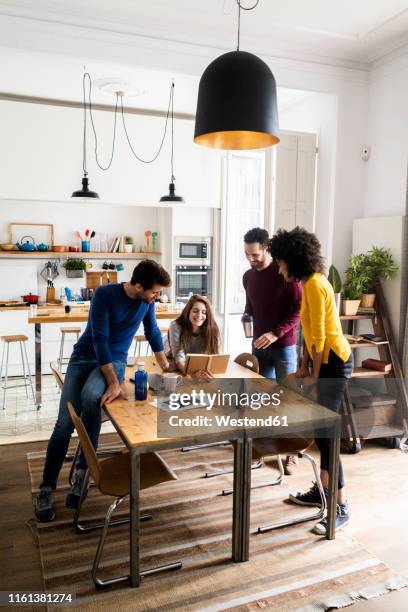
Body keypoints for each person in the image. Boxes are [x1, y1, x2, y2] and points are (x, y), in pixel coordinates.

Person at [35, 259, 172, 522]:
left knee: (90, 398)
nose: (157, 297)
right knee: (64, 423)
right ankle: (46, 488)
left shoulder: (146, 303)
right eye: (155, 292)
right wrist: (113, 382)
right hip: (85, 357)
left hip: (116, 360)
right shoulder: (104, 294)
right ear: (139, 286)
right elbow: (99, 339)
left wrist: (167, 367)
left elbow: (153, 332)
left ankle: (83, 473)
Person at [269, 226, 353, 534]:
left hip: (334, 364)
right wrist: (304, 367)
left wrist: (315, 376)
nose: (278, 269)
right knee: (321, 435)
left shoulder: (316, 285)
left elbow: (318, 336)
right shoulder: (309, 283)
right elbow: (307, 334)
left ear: (293, 259)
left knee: (328, 437)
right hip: (324, 362)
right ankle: (322, 491)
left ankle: (340, 507)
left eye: (280, 262)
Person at [243, 227, 302, 474]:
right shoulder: (248, 276)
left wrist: (276, 333)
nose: (251, 259)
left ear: (266, 248)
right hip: (258, 347)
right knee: (261, 401)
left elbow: (298, 310)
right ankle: (265, 447)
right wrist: (246, 319)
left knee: (288, 401)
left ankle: (292, 452)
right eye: (247, 254)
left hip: (283, 348)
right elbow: (250, 307)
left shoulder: (284, 274)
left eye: (255, 254)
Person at [165, 294, 221, 381]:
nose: (199, 315)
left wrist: (208, 372)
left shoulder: (213, 328)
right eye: (195, 311)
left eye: (204, 312)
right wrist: (189, 373)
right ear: (188, 311)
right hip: (174, 360)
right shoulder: (175, 326)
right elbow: (178, 356)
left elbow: (214, 355)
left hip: (196, 365)